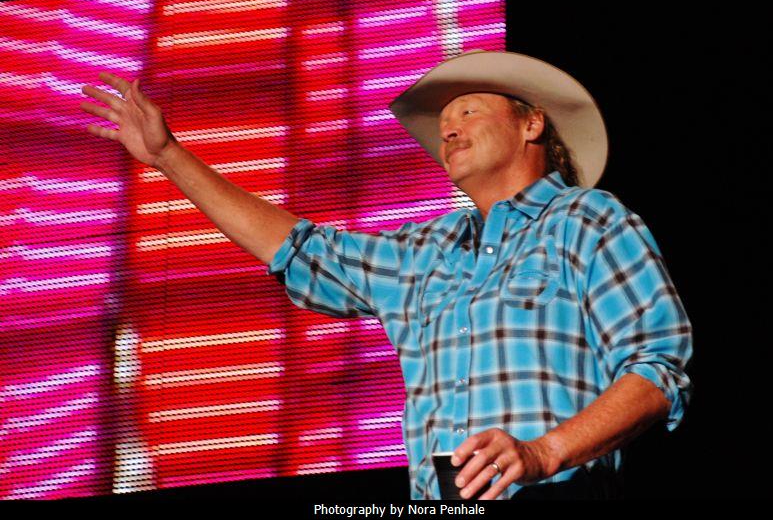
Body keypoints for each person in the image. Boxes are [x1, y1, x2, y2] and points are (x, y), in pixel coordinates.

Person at [80, 50, 692, 500]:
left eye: (468, 110)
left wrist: (541, 453)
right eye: (444, 122)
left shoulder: (588, 219)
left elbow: (657, 370)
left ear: (532, 124)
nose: (448, 129)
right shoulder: (423, 249)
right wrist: (168, 156)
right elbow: (297, 249)